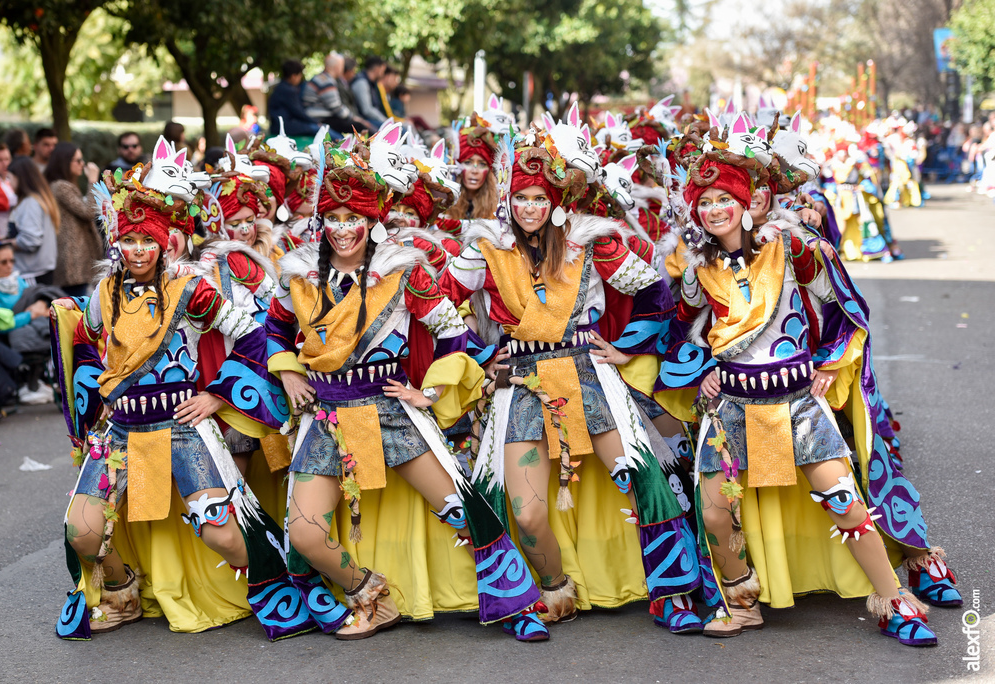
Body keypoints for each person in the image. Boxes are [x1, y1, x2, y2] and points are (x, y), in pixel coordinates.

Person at [667, 127, 945, 646]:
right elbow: (682, 330)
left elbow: (849, 309)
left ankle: (895, 602)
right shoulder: (696, 267)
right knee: (714, 513)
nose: (714, 209)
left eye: (724, 198)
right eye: (704, 202)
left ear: (747, 201)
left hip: (796, 402)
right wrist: (701, 368)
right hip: (730, 407)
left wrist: (832, 363)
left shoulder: (795, 249)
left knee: (845, 503)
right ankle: (743, 601)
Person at [266, 140, 548, 641]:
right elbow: (273, 329)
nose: (344, 228)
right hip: (327, 416)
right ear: (321, 221)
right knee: (306, 533)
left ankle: (516, 603)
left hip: (390, 408)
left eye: (354, 216)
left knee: (461, 511)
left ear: (371, 220)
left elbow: (451, 332)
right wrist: (288, 370)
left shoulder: (402, 270)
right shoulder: (298, 273)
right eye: (333, 216)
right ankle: (373, 596)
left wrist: (430, 394)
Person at [49, 162, 341, 641]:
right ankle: (122, 593)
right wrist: (96, 391)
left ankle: (281, 580)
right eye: (130, 240)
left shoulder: (189, 289)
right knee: (81, 530)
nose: (139, 250)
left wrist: (216, 393)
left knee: (221, 534)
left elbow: (250, 333)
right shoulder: (104, 293)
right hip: (122, 431)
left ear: (165, 241)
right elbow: (87, 342)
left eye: (149, 240)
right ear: (117, 243)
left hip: (184, 428)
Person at [438, 135, 704, 632]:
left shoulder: (590, 243)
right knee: (527, 511)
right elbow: (432, 305)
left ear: (557, 202)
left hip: (589, 374)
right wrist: (479, 355)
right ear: (508, 200)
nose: (530, 207)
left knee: (644, 479)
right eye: (521, 196)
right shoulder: (487, 251)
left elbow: (654, 292)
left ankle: (672, 594)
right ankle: (555, 591)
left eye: (541, 197)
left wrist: (627, 347)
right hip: (521, 383)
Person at [0, 239, 54, 405]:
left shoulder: (18, 280)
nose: (9, 266)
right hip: (9, 338)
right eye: (3, 262)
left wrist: (42, 303)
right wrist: (31, 314)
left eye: (12, 261)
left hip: (35, 325)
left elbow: (34, 296)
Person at [44, 142, 104, 297]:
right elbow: (88, 212)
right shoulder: (61, 187)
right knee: (77, 306)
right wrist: (92, 181)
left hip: (77, 256)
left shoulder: (63, 186)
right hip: (73, 259)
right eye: (78, 160)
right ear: (64, 162)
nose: (82, 164)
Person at [7, 157, 59, 285]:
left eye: (9, 178)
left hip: (32, 274)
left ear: (20, 178)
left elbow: (31, 240)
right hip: (40, 272)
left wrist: (8, 243)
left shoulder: (30, 203)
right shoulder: (38, 199)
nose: (8, 183)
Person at [304, 52, 370, 133]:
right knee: (359, 126)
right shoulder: (326, 81)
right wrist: (355, 118)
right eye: (341, 66)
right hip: (320, 119)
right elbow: (336, 108)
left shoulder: (323, 78)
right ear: (337, 67)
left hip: (321, 117)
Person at [266, 60, 321, 137]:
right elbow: (298, 112)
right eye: (299, 76)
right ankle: (340, 141)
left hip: (277, 125)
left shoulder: (280, 87)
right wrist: (315, 122)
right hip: (285, 126)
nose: (300, 78)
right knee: (319, 129)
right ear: (294, 76)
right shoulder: (289, 90)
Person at [349, 56, 388, 129]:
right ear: (377, 69)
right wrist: (385, 120)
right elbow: (367, 110)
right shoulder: (362, 82)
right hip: (363, 120)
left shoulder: (371, 83)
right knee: (395, 130)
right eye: (383, 70)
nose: (383, 73)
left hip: (367, 119)